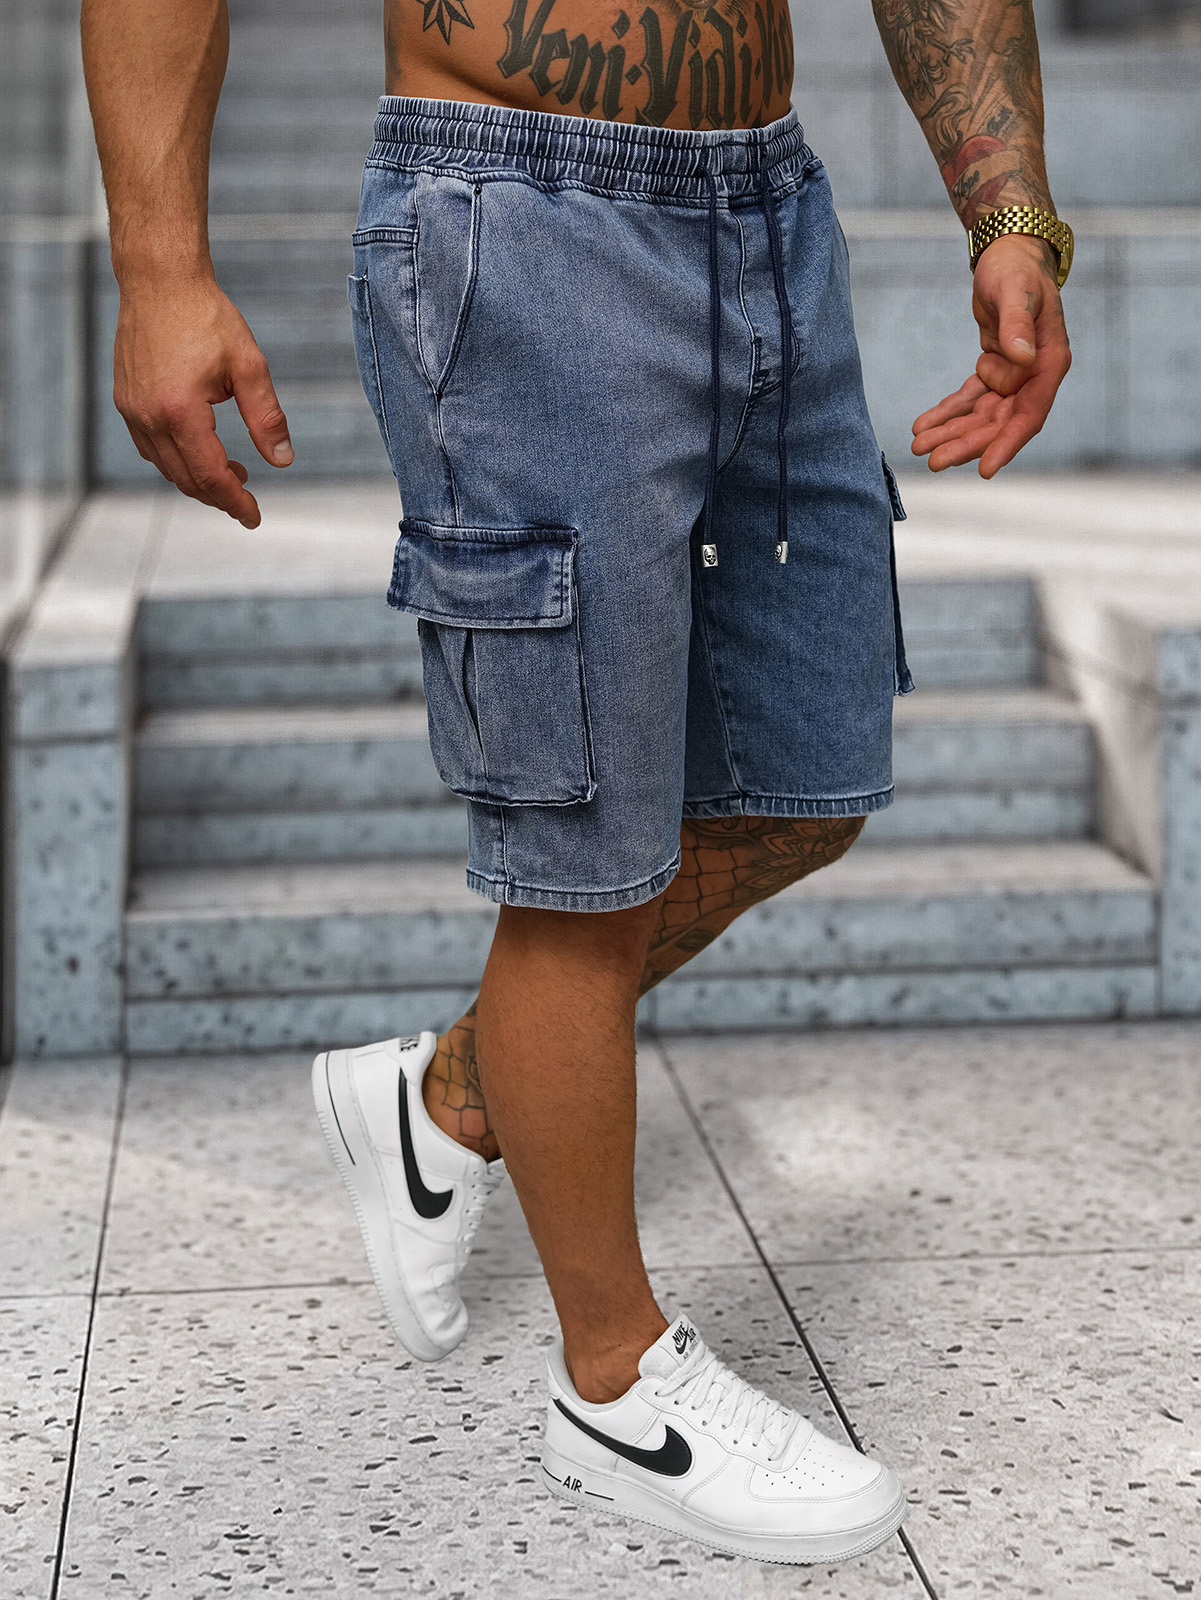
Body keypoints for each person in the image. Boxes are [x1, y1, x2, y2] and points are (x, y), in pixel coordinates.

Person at [82, 0, 1072, 1566]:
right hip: (516, 218)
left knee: (805, 779)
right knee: (581, 857)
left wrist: (1008, 214)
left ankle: (442, 1100)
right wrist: (158, 268)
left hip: (766, 210)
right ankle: (613, 1388)